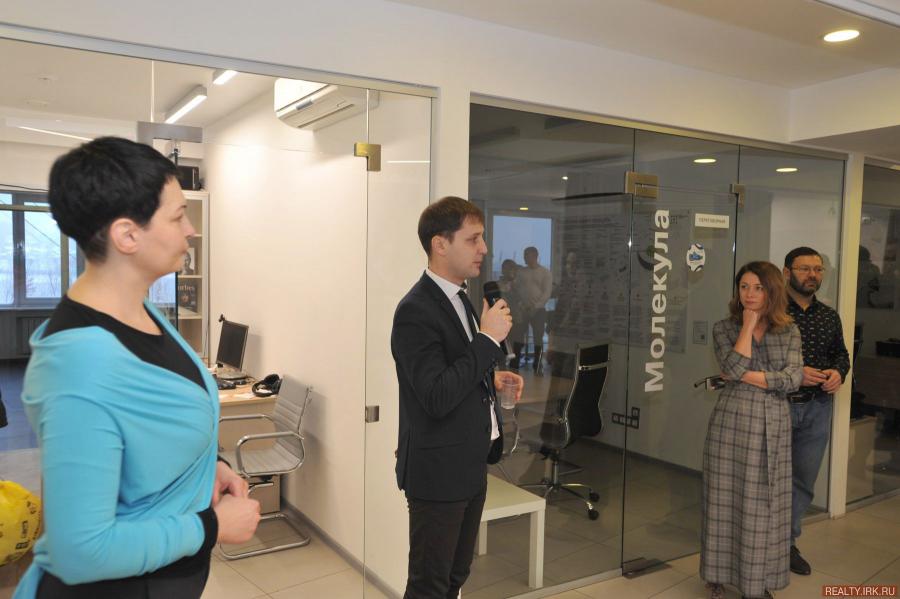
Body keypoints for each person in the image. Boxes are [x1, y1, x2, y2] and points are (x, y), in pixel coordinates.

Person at [14, 137, 260, 599]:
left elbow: (150, 431)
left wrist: (210, 466)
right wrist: (210, 526)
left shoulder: (142, 313)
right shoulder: (79, 366)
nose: (190, 230)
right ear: (127, 235)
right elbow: (80, 550)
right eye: (178, 217)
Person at [391, 196, 524, 599]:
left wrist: (491, 377)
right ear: (440, 244)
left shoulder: (462, 299)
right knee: (429, 586)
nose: (484, 248)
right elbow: (435, 395)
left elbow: (454, 368)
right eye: (473, 239)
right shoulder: (415, 311)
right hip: (438, 471)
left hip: (469, 464)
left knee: (455, 577)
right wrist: (487, 340)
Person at [701, 261, 803, 599]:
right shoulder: (724, 328)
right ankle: (717, 575)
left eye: (758, 287)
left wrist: (744, 375)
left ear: (772, 290)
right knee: (723, 500)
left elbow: (793, 379)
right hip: (732, 422)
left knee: (764, 505)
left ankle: (756, 583)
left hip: (774, 422)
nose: (749, 294)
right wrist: (747, 326)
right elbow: (730, 367)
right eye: (744, 287)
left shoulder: (789, 331)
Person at [782, 247, 850, 576]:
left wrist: (839, 372)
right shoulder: (772, 312)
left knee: (803, 480)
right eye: (805, 268)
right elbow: (756, 360)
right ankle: (760, 540)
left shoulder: (829, 315)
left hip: (818, 408)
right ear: (786, 273)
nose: (813, 275)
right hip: (778, 405)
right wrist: (796, 373)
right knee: (769, 479)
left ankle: (787, 543)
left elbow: (841, 354)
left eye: (818, 269)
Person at [511, 246, 552, 371]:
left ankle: (537, 364)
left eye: (526, 255)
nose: (524, 257)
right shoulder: (521, 272)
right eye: (524, 255)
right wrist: (521, 305)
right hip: (523, 309)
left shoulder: (545, 272)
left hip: (538, 310)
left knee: (538, 337)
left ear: (535, 256)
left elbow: (547, 293)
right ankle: (515, 362)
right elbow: (516, 289)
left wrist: (536, 306)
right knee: (518, 335)